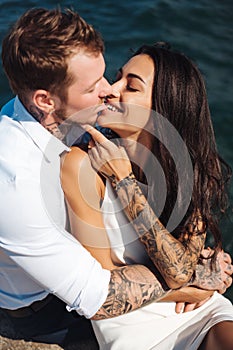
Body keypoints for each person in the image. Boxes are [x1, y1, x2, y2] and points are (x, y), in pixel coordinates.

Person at [2, 8, 230, 349]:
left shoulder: (89, 125)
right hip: (50, 308)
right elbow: (99, 293)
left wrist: (200, 270)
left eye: (115, 78)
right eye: (96, 85)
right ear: (45, 101)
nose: (109, 89)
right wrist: (195, 279)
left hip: (161, 292)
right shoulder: (21, 182)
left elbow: (188, 249)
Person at [61, 43, 233, 349]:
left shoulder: (187, 168)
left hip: (196, 311)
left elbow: (181, 267)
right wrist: (198, 285)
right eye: (118, 78)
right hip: (129, 321)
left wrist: (124, 180)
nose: (110, 90)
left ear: (162, 109)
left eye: (131, 86)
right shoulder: (82, 165)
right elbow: (103, 287)